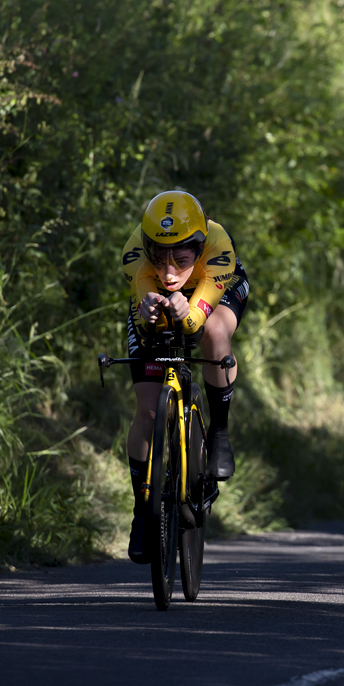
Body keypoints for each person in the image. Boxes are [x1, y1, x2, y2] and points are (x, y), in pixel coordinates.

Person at [121, 190, 249, 563]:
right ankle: (142, 511)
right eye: (159, 258)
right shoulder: (133, 255)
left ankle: (220, 432)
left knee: (213, 333)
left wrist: (188, 311)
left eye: (181, 257)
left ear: (199, 245)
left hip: (214, 289)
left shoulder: (218, 245)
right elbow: (146, 293)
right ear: (146, 247)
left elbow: (194, 322)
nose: (169, 271)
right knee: (146, 411)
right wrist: (150, 306)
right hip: (158, 304)